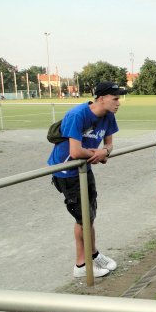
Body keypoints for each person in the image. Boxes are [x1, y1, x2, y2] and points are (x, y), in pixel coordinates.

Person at [48, 81, 124, 278]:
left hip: (84, 168)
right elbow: (74, 152)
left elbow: (109, 144)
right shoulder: (77, 115)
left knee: (89, 215)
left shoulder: (108, 116)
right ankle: (81, 265)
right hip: (67, 172)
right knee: (83, 218)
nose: (119, 102)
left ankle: (93, 254)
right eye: (115, 98)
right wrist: (98, 154)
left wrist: (104, 152)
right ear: (101, 98)